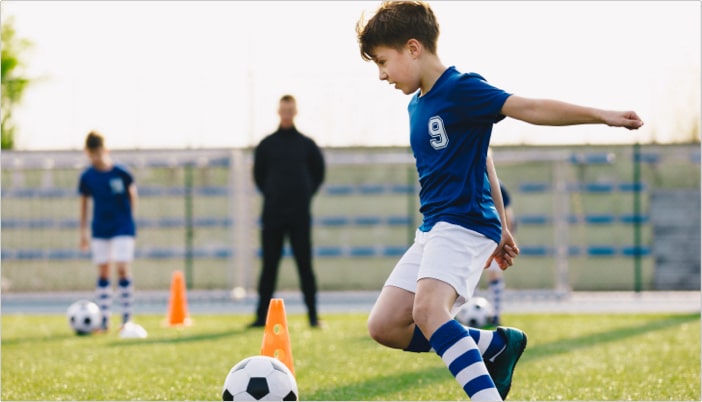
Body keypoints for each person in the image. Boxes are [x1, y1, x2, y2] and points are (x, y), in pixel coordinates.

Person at [356, 2, 643, 400]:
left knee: (428, 311)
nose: (382, 74)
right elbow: (483, 155)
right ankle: (495, 346)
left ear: (413, 47)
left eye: (383, 61)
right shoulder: (416, 104)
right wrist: (504, 228)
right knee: (385, 326)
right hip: (436, 227)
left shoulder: (461, 88)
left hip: (464, 222)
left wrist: (601, 115)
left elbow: (529, 107)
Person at [251, 94, 326, 328]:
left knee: (305, 265)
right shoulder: (266, 145)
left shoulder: (306, 145)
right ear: (278, 111)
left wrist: (302, 196)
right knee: (269, 267)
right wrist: (275, 196)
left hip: (299, 216)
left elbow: (318, 173)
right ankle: (260, 316)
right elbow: (259, 176)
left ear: (295, 112)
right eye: (283, 110)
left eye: (290, 110)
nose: (286, 114)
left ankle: (313, 316)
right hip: (273, 215)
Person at [79, 131, 138, 333]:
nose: (96, 157)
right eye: (92, 154)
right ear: (88, 153)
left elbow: (132, 195)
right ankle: (104, 320)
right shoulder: (87, 177)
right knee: (104, 272)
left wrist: (130, 222)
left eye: (98, 153)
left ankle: (127, 317)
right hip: (100, 228)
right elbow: (84, 204)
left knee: (122, 268)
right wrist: (83, 233)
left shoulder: (121, 173)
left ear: (106, 150)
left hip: (122, 226)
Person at [484, 179, 515, 327]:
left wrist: (505, 234)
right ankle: (462, 312)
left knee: (494, 273)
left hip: (492, 236)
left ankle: (496, 313)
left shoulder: (496, 185)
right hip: (472, 235)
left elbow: (507, 212)